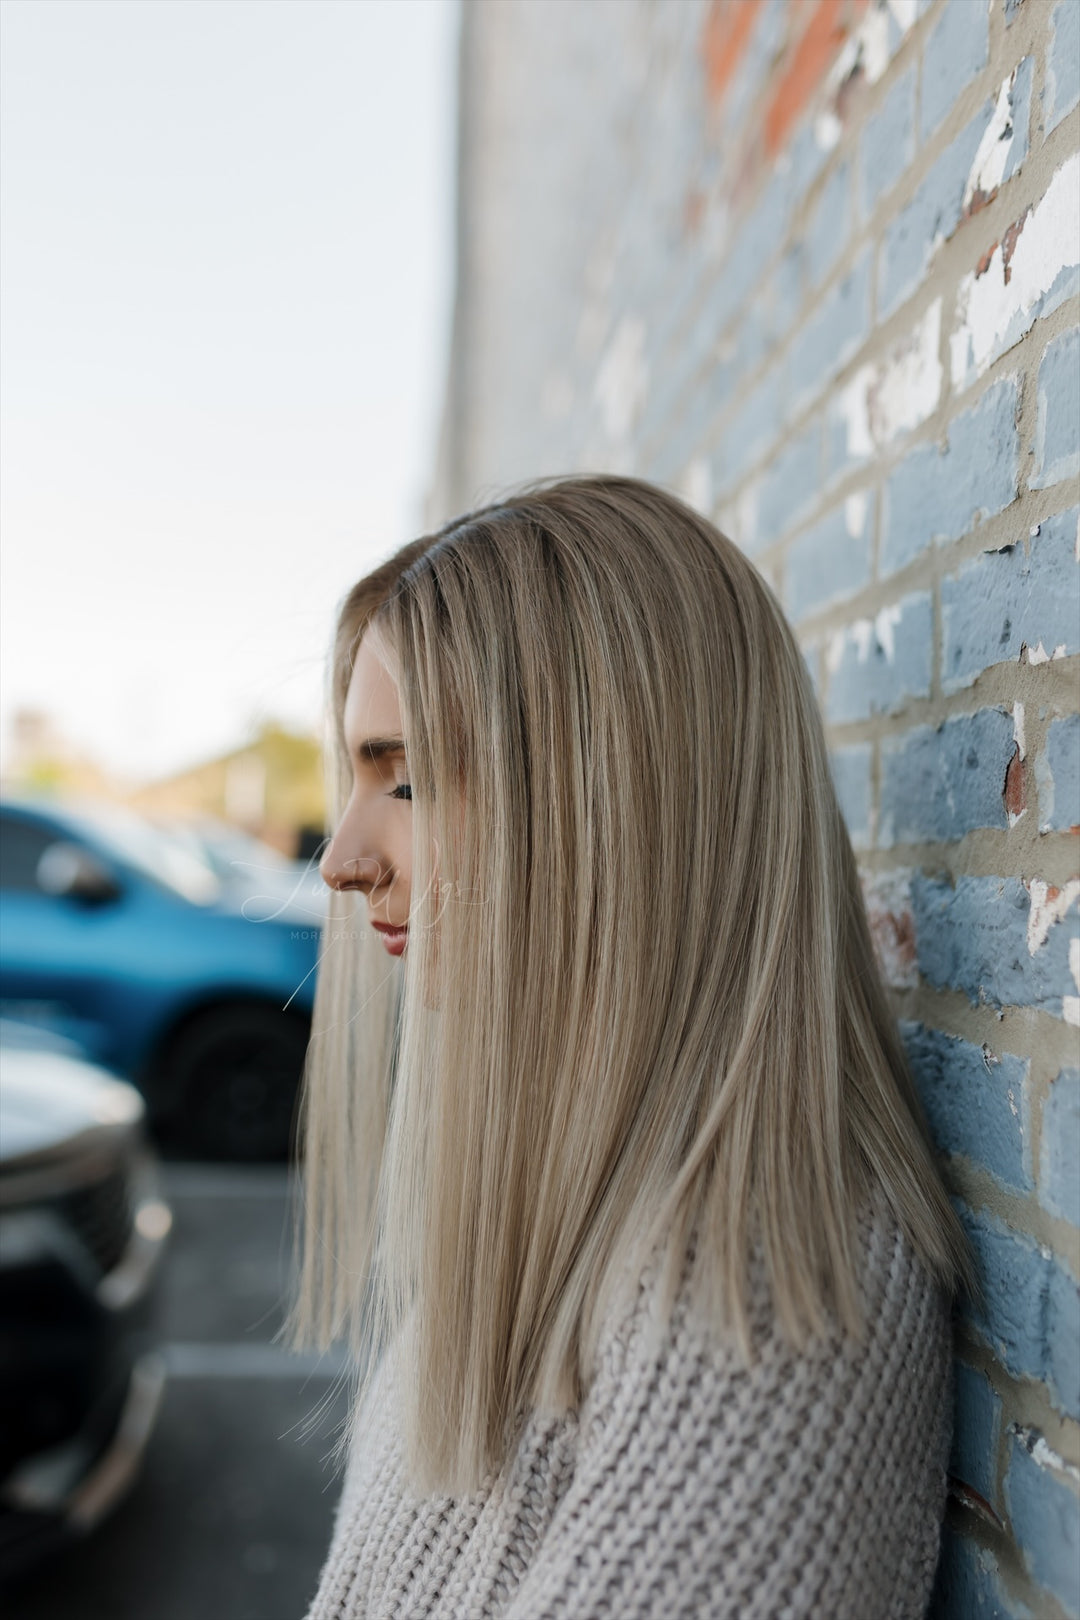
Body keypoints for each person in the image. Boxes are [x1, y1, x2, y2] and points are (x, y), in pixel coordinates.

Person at [289, 475, 971, 1620]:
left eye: (406, 779)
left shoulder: (753, 1295)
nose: (343, 858)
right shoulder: (559, 1203)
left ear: (616, 793)